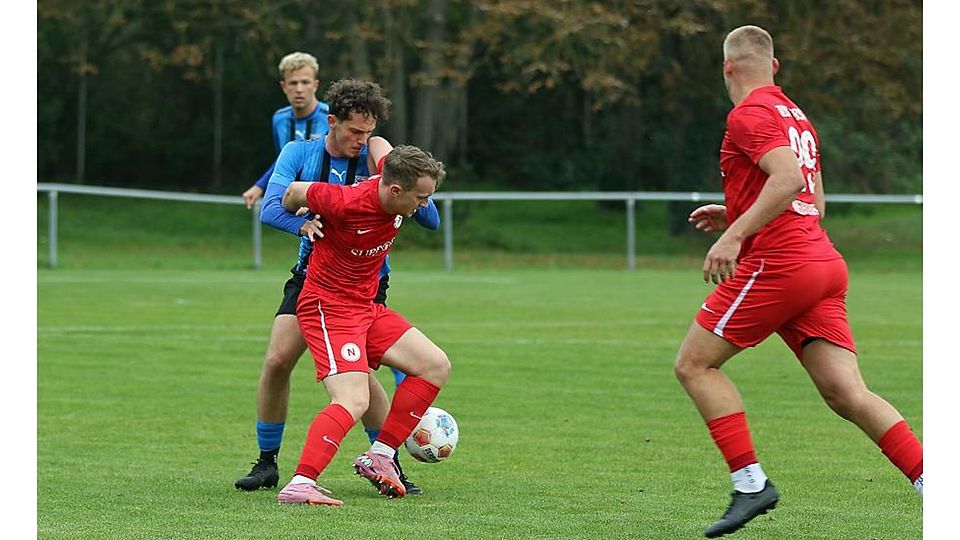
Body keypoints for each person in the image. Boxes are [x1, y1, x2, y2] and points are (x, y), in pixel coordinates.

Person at [673, 25, 923, 538]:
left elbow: (786, 181)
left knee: (695, 365)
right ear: (775, 67)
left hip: (781, 265)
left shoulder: (748, 114)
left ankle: (750, 484)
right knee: (847, 394)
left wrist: (735, 236)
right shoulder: (795, 116)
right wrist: (738, 210)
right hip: (821, 262)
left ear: (727, 67)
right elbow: (813, 199)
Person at [234, 79, 439, 495]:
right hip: (314, 282)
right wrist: (302, 223)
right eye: (354, 132)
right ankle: (269, 462)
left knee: (366, 375)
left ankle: (386, 459)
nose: (361, 141)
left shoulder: (380, 160)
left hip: (367, 285)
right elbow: (275, 207)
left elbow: (427, 215)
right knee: (279, 362)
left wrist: (387, 156)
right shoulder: (301, 153)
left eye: (369, 132)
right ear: (333, 122)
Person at [274, 145, 449, 506]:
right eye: (421, 198)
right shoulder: (345, 200)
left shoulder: (394, 173)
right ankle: (301, 483)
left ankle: (381, 455)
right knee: (353, 398)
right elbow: (292, 193)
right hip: (328, 308)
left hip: (365, 307)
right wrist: (300, 221)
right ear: (395, 191)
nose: (424, 206)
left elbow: (382, 144)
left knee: (434, 365)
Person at [241, 52, 328, 210]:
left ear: (315, 84)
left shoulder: (331, 117)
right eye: (293, 83)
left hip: (327, 198)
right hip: (294, 200)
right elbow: (283, 161)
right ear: (284, 86)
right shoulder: (279, 119)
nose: (299, 89)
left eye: (305, 82)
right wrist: (259, 186)